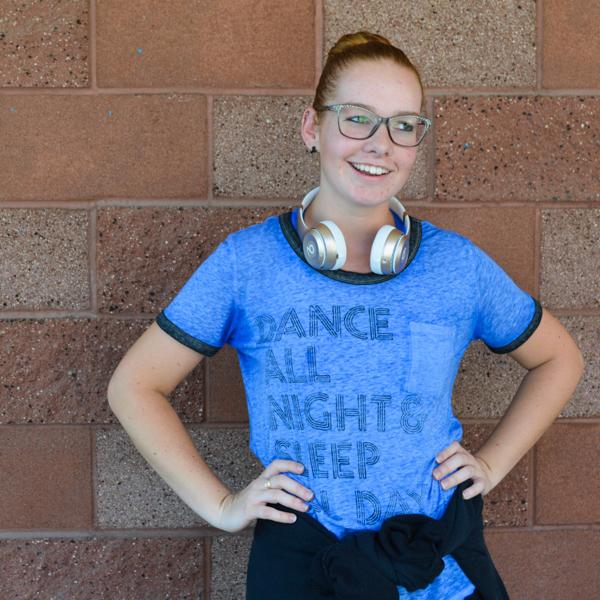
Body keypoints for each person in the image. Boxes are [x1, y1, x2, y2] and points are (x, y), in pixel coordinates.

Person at [107, 31, 585, 600]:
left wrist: (492, 464)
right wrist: (222, 505)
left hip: (435, 558)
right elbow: (135, 386)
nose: (381, 144)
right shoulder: (247, 263)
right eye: (357, 118)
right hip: (306, 565)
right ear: (313, 129)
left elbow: (560, 358)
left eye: (404, 125)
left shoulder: (456, 266)